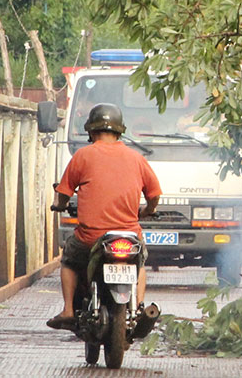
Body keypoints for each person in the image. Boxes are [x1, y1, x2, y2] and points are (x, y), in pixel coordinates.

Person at [47, 103, 162, 330]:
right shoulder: (136, 158)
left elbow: (63, 193)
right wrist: (148, 211)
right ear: (120, 131)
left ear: (91, 131)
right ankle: (137, 307)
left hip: (91, 238)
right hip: (129, 236)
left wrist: (58, 205)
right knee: (139, 264)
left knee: (69, 259)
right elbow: (155, 194)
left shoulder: (82, 156)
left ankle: (69, 309)